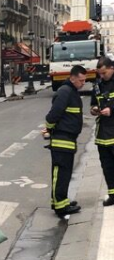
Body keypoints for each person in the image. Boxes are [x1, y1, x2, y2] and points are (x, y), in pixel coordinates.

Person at [44, 64, 87, 218]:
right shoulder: (65, 92)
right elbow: (53, 115)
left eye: (84, 81)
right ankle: (60, 207)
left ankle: (61, 201)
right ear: (72, 77)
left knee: (64, 174)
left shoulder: (71, 91)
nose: (83, 84)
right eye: (81, 81)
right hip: (62, 139)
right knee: (60, 174)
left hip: (68, 139)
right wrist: (49, 129)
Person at [90, 56, 114, 206]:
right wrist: (94, 109)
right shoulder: (98, 85)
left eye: (104, 73)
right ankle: (112, 193)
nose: (102, 76)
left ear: (112, 68)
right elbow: (93, 102)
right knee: (107, 166)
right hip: (102, 134)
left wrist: (111, 110)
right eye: (100, 73)